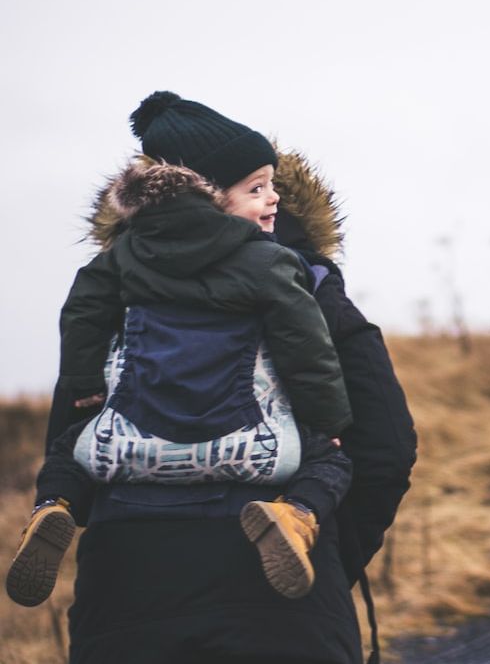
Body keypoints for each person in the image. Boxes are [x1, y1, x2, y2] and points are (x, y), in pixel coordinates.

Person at [24, 92, 415, 663]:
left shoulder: (114, 279)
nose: (271, 196)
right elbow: (385, 445)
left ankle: (48, 508)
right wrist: (326, 555)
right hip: (279, 594)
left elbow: (75, 420)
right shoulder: (303, 281)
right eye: (257, 186)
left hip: (126, 585)